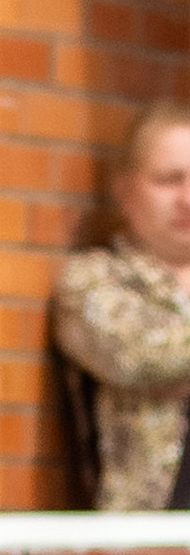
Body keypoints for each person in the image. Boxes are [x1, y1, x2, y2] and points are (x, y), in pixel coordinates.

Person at [53, 105, 190, 514]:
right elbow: (142, 355)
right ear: (125, 189)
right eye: (169, 180)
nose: (187, 198)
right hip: (148, 534)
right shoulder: (93, 280)